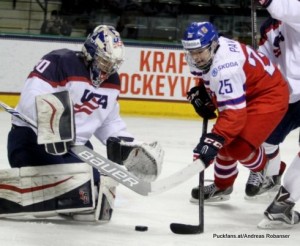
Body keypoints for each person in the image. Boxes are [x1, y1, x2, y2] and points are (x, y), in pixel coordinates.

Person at [2, 25, 164, 222]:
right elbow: (31, 97)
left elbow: (109, 121)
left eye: (113, 64)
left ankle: (69, 195)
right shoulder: (59, 61)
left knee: (93, 187)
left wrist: (129, 147)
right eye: (104, 61)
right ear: (90, 53)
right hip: (32, 139)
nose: (107, 70)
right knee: (79, 185)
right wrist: (54, 122)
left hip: (74, 148)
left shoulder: (112, 82)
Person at [181, 21, 289, 203]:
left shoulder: (226, 68)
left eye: (200, 52)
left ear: (213, 45)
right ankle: (223, 186)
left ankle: (263, 168)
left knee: (237, 147)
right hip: (247, 90)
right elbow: (209, 76)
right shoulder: (211, 51)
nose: (196, 57)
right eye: (192, 52)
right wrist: (204, 91)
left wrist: (213, 140)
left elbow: (234, 115)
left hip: (268, 95)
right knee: (223, 142)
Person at [250, 0, 300, 229]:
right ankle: (271, 176)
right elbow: (264, 60)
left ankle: (284, 203)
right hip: (289, 96)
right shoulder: (268, 27)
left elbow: (284, 8)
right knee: (265, 140)